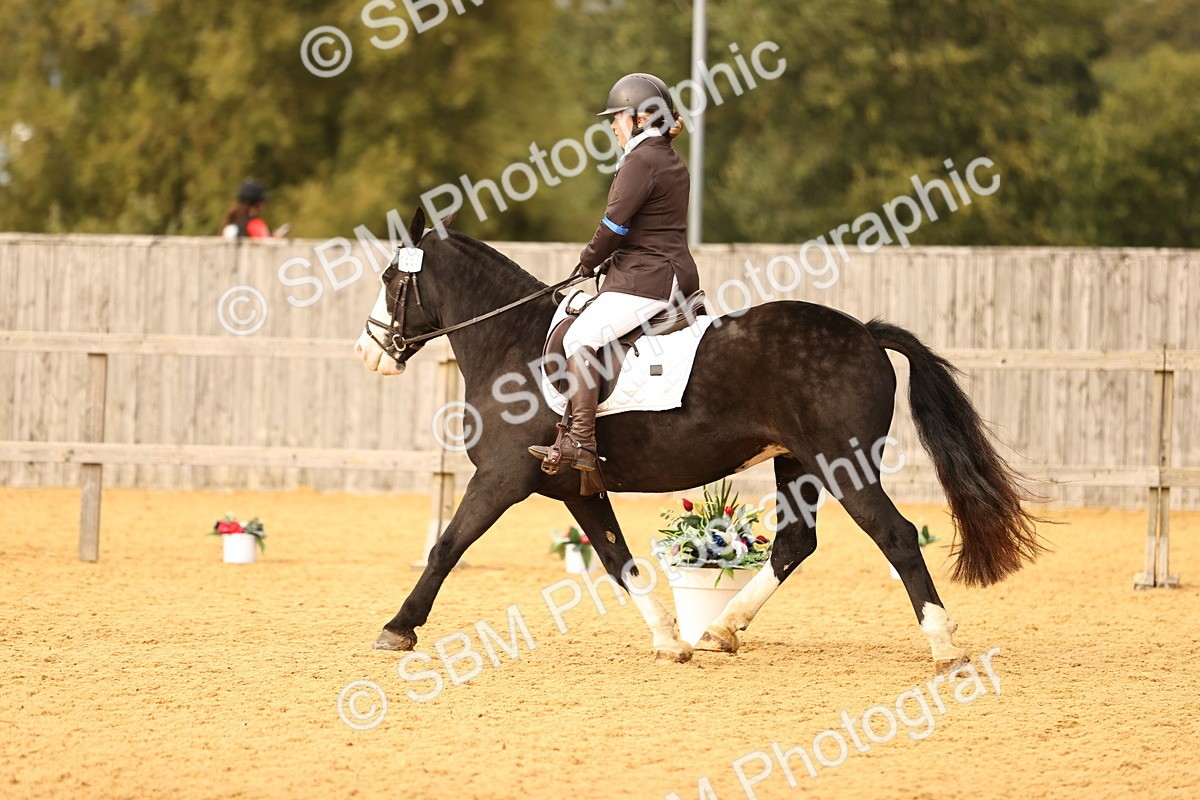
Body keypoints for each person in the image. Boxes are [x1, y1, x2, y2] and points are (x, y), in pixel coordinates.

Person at [528, 72, 700, 474]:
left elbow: (615, 226)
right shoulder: (669, 158)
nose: (612, 125)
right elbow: (648, 227)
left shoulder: (641, 160)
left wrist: (587, 261)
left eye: (617, 117)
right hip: (666, 269)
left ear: (640, 119)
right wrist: (609, 261)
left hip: (649, 277)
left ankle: (582, 442)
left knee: (581, 336)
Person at [220, 180, 289, 239]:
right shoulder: (255, 224)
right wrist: (276, 239)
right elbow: (267, 247)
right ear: (259, 204)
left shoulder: (231, 223)